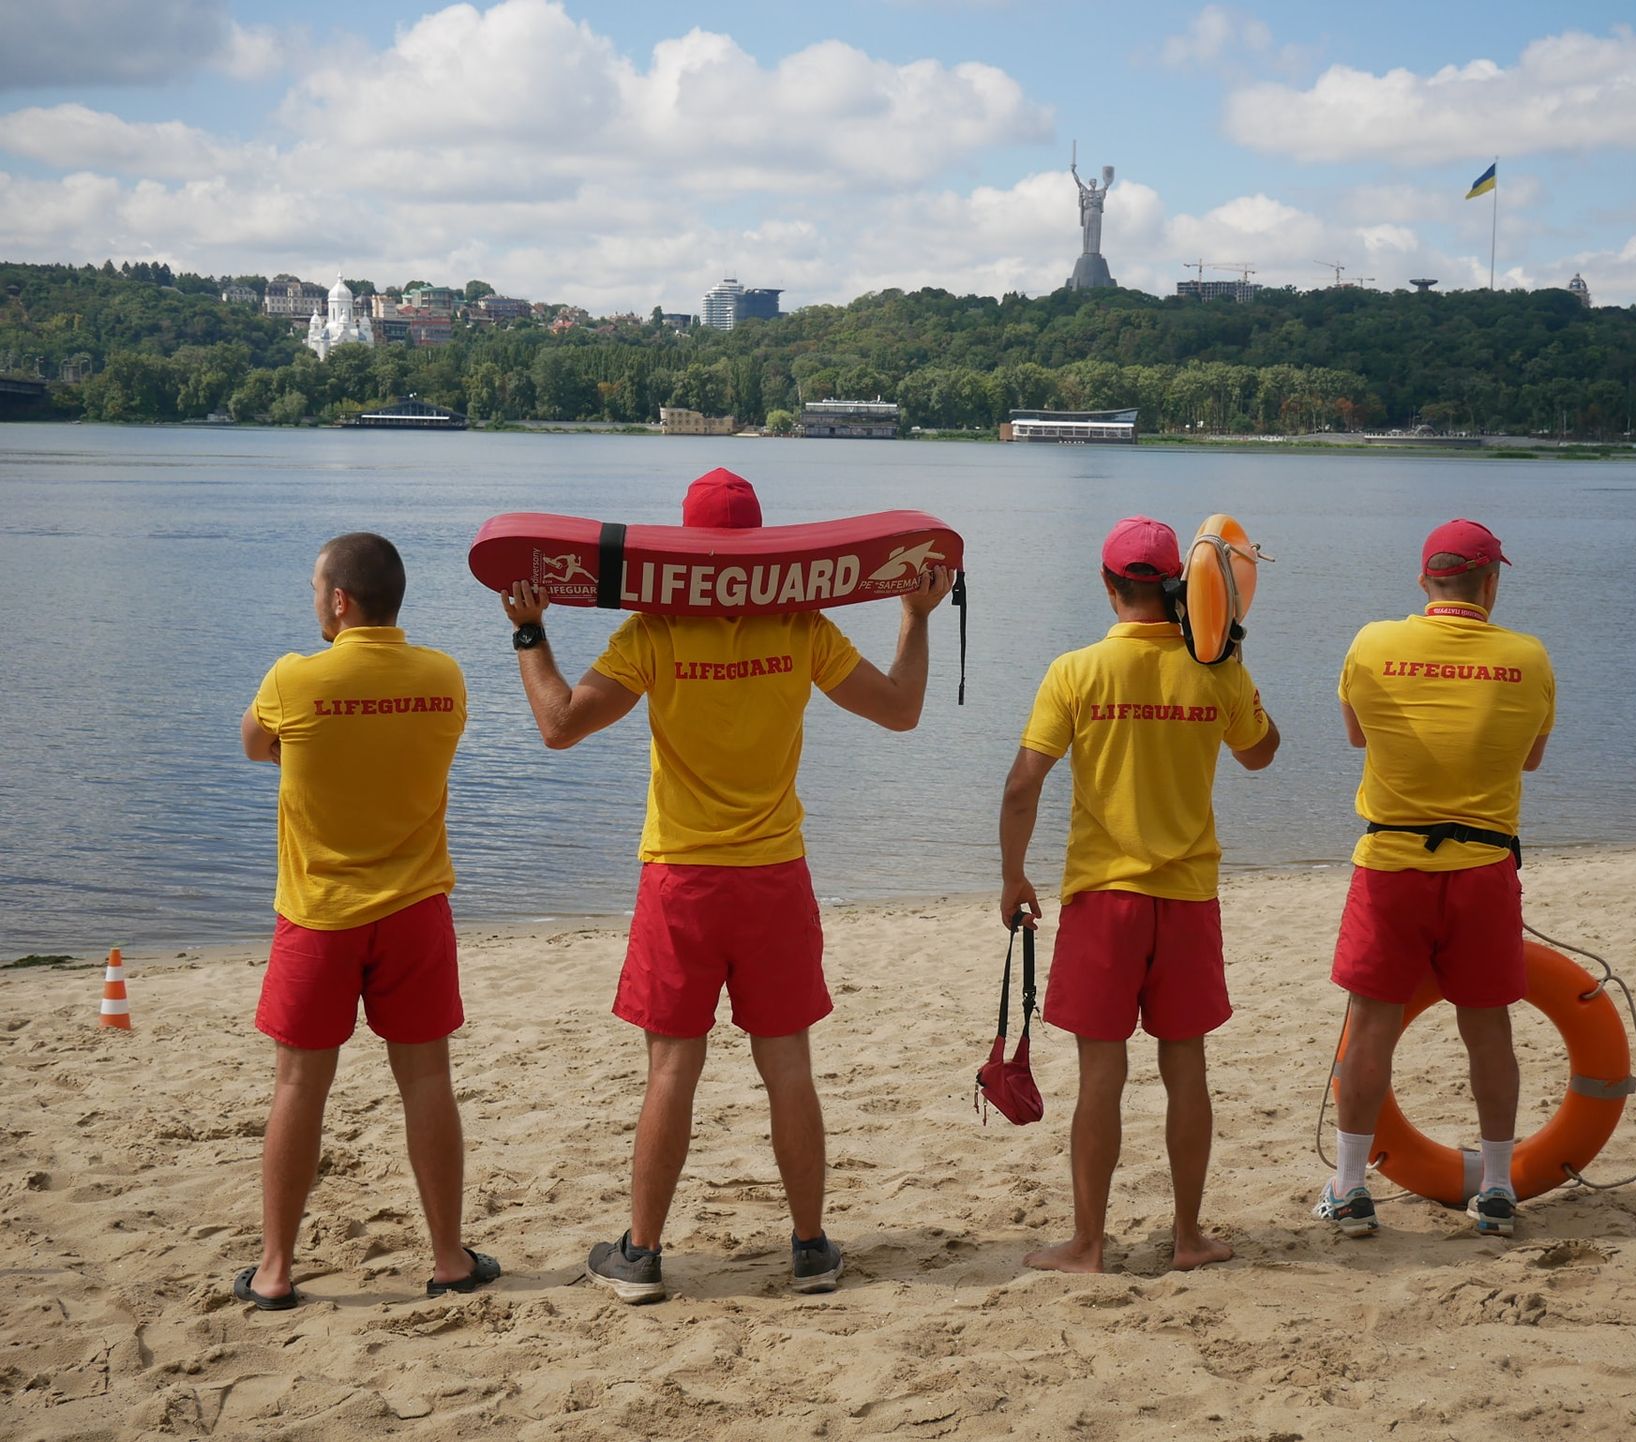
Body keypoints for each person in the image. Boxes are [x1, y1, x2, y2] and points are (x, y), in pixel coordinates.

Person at [501, 467, 953, 1303]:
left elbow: (559, 724)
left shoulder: (656, 629)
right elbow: (900, 709)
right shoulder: (799, 624)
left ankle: (639, 1257)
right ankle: (812, 1249)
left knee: (673, 1067)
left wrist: (531, 633)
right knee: (788, 1066)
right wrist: (914, 617)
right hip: (774, 878)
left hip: (682, 879)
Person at [998, 516, 1279, 1274]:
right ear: (1177, 588)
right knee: (1186, 1069)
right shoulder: (1215, 667)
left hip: (1103, 900)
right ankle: (1189, 1239)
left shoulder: (1075, 671)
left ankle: (1088, 1245)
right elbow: (1262, 754)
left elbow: (1025, 783)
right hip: (1187, 897)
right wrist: (1225, 649)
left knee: (1102, 1075)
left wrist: (1013, 875)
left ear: (1106, 583)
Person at [234, 532, 496, 1309]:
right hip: (415, 911)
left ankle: (277, 1270)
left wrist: (319, 747)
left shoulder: (293, 678)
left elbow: (256, 747)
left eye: (318, 588)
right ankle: (449, 1257)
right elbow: (432, 746)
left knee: (298, 1088)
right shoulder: (443, 674)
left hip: (319, 915)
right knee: (426, 1081)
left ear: (340, 600)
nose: (314, 599)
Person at [1318, 518, 1555, 1239]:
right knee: (1488, 1031)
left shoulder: (1373, 643)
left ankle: (1353, 1188)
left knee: (1369, 1029)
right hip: (1484, 868)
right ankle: (1498, 1190)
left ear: (1425, 581)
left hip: (1391, 866)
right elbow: (1531, 760)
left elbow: (1359, 734)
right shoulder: (1529, 657)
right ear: (1491, 583)